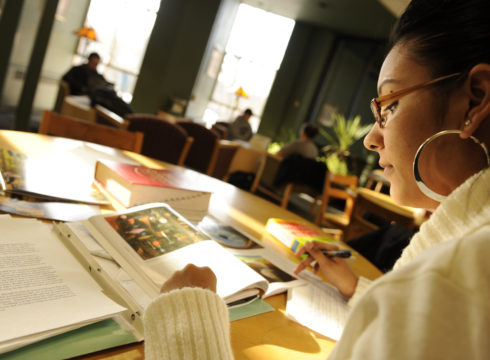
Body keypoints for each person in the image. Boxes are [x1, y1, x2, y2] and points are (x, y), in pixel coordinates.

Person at [143, 0, 490, 358]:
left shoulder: (463, 277)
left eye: (390, 106)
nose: (371, 138)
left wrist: (184, 315)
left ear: (475, 99)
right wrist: (356, 287)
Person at [61, 52, 133, 117]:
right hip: (88, 94)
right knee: (106, 98)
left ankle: (128, 114)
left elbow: (103, 82)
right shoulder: (78, 69)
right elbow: (65, 78)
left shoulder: (97, 74)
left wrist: (108, 84)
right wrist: (81, 88)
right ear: (89, 60)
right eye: (93, 63)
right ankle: (126, 114)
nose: (95, 65)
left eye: (96, 64)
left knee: (113, 97)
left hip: (100, 92)